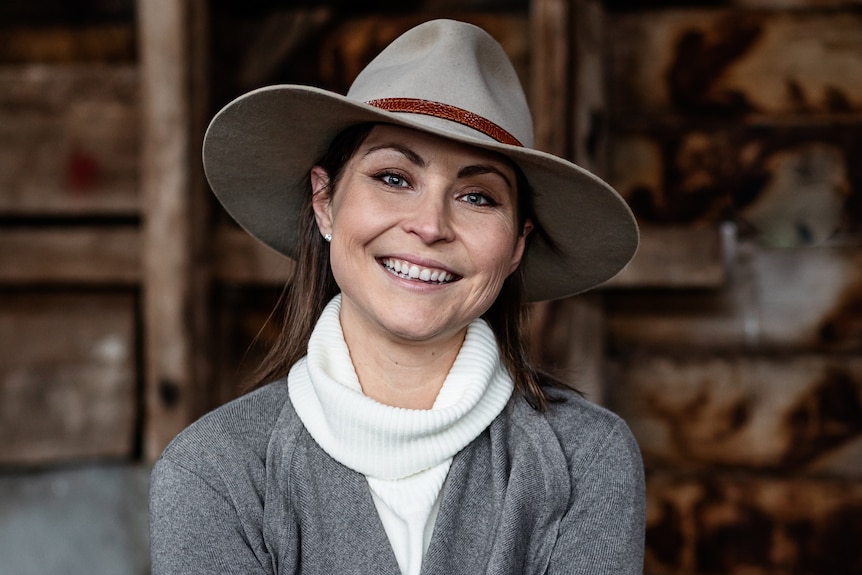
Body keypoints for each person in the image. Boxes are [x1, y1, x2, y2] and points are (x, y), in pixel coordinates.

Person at [149, 19, 644, 575]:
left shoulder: (586, 458)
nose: (430, 225)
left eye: (478, 196)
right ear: (325, 202)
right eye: (393, 178)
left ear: (516, 246)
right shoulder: (216, 471)